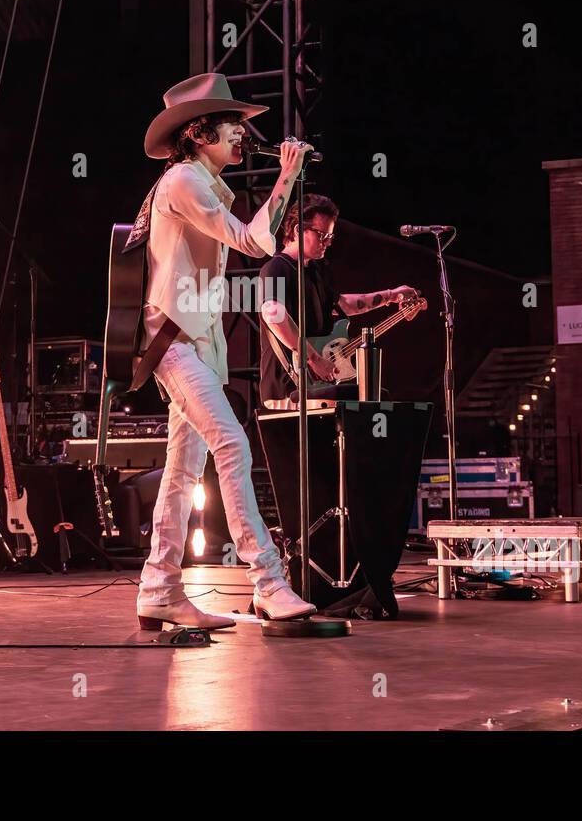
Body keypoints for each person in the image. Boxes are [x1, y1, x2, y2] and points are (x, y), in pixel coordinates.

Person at [130, 72, 316, 629]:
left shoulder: (201, 182)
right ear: (199, 132)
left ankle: (159, 587)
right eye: (233, 123)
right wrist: (286, 178)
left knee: (183, 471)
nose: (242, 133)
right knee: (233, 446)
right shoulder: (184, 180)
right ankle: (268, 582)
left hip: (197, 344)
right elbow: (256, 242)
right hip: (175, 343)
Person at [256, 193, 419, 408]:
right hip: (287, 387)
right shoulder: (276, 268)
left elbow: (344, 305)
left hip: (312, 385)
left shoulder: (316, 270)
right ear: (298, 231)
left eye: (330, 237)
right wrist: (314, 360)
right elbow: (272, 314)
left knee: (374, 396)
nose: (327, 243)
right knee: (366, 402)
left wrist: (391, 295)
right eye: (321, 235)